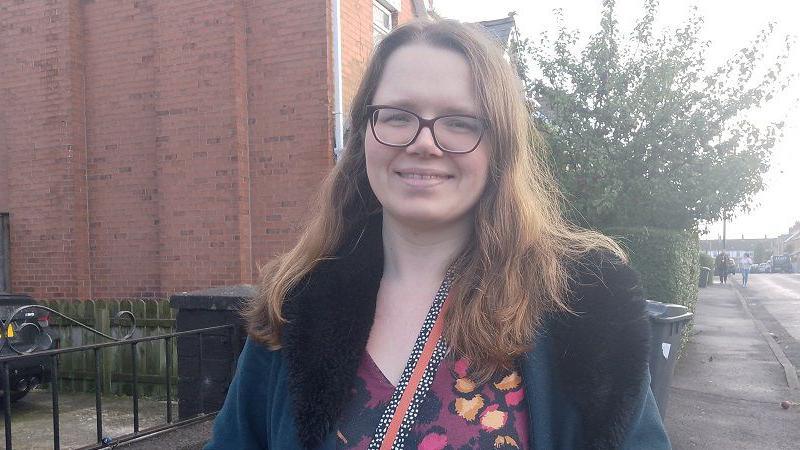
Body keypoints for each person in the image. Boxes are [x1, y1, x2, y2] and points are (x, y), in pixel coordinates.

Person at [205, 19, 670, 449]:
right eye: (397, 116)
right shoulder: (297, 299)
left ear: (500, 145)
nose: (423, 142)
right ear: (364, 132)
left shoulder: (584, 303)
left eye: (459, 122)